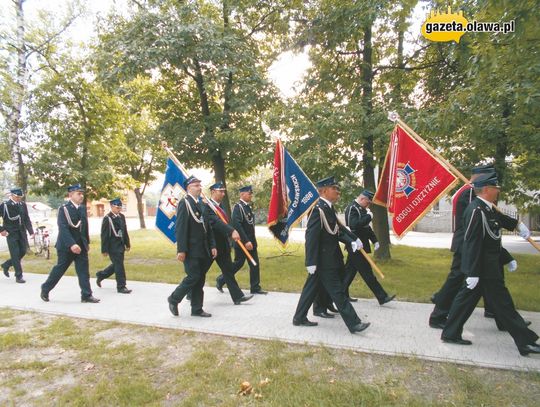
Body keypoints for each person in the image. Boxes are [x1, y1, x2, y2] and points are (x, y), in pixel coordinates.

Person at [441, 172, 540, 356]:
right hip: (482, 270)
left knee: (467, 301)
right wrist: (471, 271)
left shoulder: (487, 209)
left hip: (488, 267)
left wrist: (518, 227)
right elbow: (471, 242)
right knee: (502, 305)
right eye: (496, 188)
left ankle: (450, 332)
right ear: (486, 189)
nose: (498, 191)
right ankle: (525, 341)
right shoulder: (476, 210)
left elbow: (493, 237)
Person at [429, 165, 520, 329]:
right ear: (480, 177)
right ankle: (439, 313)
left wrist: (515, 225)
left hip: (471, 243)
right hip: (468, 244)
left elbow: (491, 212)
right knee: (457, 281)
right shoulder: (470, 192)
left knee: (491, 280)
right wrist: (515, 225)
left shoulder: (468, 190)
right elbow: (485, 215)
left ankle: (498, 314)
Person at [292, 176, 370, 334]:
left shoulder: (328, 208)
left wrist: (352, 240)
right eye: (334, 189)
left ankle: (298, 317)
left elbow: (336, 231)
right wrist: (310, 262)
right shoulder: (318, 209)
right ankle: (354, 324)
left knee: (310, 289)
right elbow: (311, 237)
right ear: (325, 191)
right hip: (323, 260)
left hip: (329, 258)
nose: (337, 191)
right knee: (338, 292)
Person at [41, 184, 99, 303]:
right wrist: (72, 244)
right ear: (70, 195)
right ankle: (46, 288)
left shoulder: (82, 208)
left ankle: (86, 295)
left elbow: (84, 228)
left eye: (82, 193)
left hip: (81, 246)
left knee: (83, 271)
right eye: (78, 194)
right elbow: (63, 228)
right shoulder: (64, 209)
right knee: (60, 269)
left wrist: (86, 243)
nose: (81, 196)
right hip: (66, 246)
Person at [167, 176, 217, 318]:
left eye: (200, 185)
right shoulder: (184, 203)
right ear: (189, 188)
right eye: (196, 185)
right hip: (190, 249)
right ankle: (174, 298)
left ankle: (197, 309)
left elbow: (208, 227)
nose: (199, 188)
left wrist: (212, 245)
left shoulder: (201, 204)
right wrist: (181, 250)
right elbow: (180, 228)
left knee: (200, 279)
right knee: (193, 276)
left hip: (203, 248)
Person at [343, 189, 395, 305]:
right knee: (367, 273)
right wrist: (368, 216)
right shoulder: (352, 208)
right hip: (355, 246)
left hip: (360, 246)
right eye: (368, 202)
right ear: (362, 199)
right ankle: (382, 297)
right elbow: (354, 225)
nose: (368, 205)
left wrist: (375, 240)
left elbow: (366, 227)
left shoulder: (361, 209)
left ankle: (341, 295)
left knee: (349, 272)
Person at [205, 182, 253, 305]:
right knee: (199, 273)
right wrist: (232, 231)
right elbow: (216, 222)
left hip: (223, 245)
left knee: (228, 271)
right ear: (213, 192)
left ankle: (237, 297)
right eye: (220, 191)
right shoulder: (208, 206)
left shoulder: (220, 206)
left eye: (223, 191)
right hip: (213, 246)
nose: (223, 193)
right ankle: (190, 292)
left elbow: (225, 222)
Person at [226, 185, 267, 295]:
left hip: (251, 242)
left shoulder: (247, 207)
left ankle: (255, 287)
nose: (251, 195)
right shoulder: (238, 208)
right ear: (242, 194)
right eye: (249, 193)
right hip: (242, 242)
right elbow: (237, 226)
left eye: (251, 193)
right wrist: (246, 241)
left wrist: (252, 241)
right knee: (238, 263)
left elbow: (249, 225)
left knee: (255, 264)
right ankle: (221, 279)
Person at [96, 198, 132, 294]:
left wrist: (127, 243)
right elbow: (104, 235)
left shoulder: (122, 217)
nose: (119, 209)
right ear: (111, 206)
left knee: (117, 264)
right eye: (117, 207)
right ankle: (121, 286)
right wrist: (104, 249)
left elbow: (124, 231)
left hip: (120, 245)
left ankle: (101, 275)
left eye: (120, 207)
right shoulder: (107, 218)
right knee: (119, 265)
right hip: (112, 246)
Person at [0, 188, 34, 283]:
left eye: (20, 197)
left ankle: (6, 264)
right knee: (15, 254)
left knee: (22, 251)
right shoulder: (5, 205)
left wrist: (31, 231)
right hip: (10, 233)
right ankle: (19, 276)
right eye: (17, 196)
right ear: (12, 195)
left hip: (22, 232)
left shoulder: (22, 205)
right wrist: (1, 230)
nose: (19, 198)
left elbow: (26, 218)